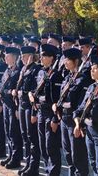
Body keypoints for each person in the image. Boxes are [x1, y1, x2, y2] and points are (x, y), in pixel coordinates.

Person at [52, 48, 89, 176]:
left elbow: (80, 104)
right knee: (67, 153)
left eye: (67, 60)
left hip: (74, 121)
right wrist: (57, 105)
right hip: (64, 119)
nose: (65, 62)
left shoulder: (83, 79)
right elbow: (62, 96)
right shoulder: (68, 77)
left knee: (77, 154)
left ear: (76, 61)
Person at [30, 44, 63, 175]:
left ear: (52, 58)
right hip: (41, 112)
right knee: (43, 144)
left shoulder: (56, 75)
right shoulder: (40, 72)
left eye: (45, 56)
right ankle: (48, 170)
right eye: (42, 55)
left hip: (51, 113)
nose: (42, 58)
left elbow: (57, 99)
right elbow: (36, 91)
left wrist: (55, 119)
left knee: (51, 146)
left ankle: (54, 172)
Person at [12, 46, 40, 176]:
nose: (22, 59)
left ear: (31, 56)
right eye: (22, 56)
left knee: (32, 137)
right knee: (24, 136)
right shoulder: (24, 69)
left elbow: (35, 92)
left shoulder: (36, 69)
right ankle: (28, 163)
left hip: (30, 107)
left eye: (25, 56)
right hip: (22, 106)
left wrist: (34, 113)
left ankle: (33, 167)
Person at [0, 47, 23, 169]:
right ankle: (11, 155)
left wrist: (3, 92)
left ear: (14, 57)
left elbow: (15, 91)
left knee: (14, 133)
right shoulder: (8, 70)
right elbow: (2, 85)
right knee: (8, 131)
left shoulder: (18, 72)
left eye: (8, 56)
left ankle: (16, 158)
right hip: (6, 105)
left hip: (13, 106)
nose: (5, 58)